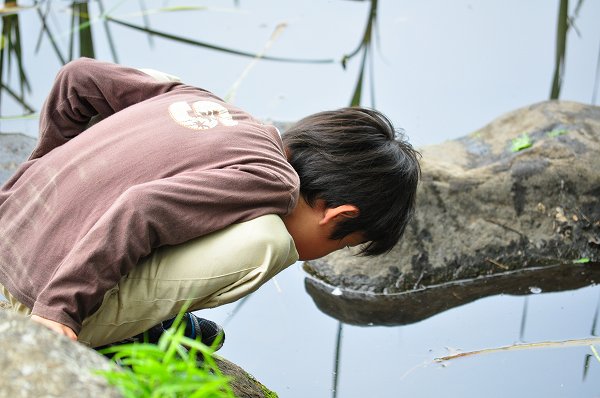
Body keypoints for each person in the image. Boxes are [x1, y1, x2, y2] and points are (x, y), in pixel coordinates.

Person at [0, 58, 420, 348]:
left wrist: (42, 171)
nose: (325, 255)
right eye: (342, 244)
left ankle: (150, 317)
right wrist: (58, 312)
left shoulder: (205, 104)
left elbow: (79, 78)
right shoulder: (272, 182)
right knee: (269, 241)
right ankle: (129, 335)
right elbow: (143, 207)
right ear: (338, 214)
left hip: (6, 227)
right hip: (31, 303)